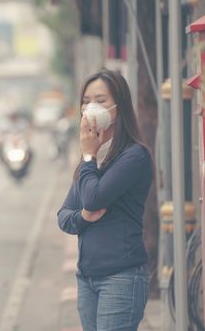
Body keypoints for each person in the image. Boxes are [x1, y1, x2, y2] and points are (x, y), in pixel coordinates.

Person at [57, 69, 154, 331]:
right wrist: (85, 217)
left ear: (118, 106)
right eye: (86, 101)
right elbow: (65, 217)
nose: (91, 108)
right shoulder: (91, 158)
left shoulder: (134, 157)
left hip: (121, 277)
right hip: (87, 278)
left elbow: (93, 197)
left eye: (100, 100)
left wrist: (88, 156)